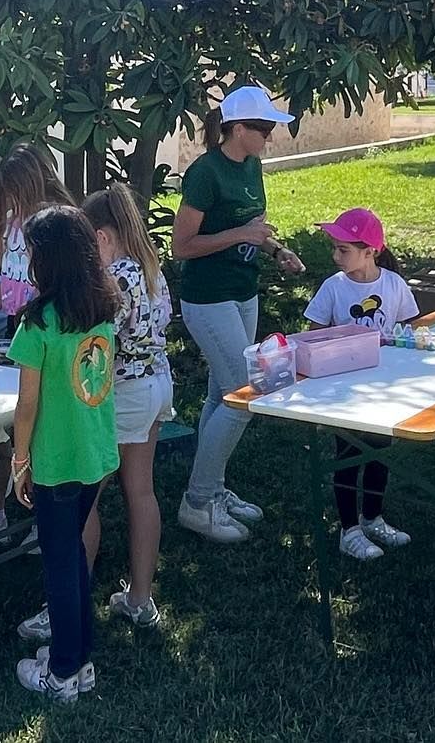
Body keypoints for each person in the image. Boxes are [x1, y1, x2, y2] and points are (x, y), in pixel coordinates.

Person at [173, 86, 305, 543]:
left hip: (243, 293)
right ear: (237, 129)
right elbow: (182, 247)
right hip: (207, 298)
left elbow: (254, 231)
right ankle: (197, 501)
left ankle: (214, 490)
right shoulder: (205, 173)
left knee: (220, 396)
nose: (270, 136)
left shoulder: (252, 165)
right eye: (263, 129)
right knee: (244, 396)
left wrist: (277, 249)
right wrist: (239, 234)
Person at [8, 206, 119, 702]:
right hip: (94, 454)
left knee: (59, 565)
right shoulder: (102, 305)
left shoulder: (38, 322)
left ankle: (64, 671)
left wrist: (18, 461)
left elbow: (26, 404)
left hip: (54, 463)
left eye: (30, 250)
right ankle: (82, 658)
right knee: (71, 554)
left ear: (45, 258)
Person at [80, 183, 174, 627]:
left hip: (124, 394)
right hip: (157, 384)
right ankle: (140, 597)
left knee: (83, 498)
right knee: (141, 491)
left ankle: (70, 598)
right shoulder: (150, 268)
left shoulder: (114, 278)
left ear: (101, 237)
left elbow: (100, 343)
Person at [304, 208, 418, 561]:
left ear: (371, 251)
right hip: (345, 393)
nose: (335, 256)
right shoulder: (333, 288)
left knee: (379, 454)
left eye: (344, 250)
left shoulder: (394, 285)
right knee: (347, 458)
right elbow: (312, 337)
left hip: (383, 390)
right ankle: (348, 529)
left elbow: (408, 330)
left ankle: (372, 517)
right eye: (335, 248)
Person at [0, 144, 74, 334]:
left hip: (45, 322)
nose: (10, 198)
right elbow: (9, 280)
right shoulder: (11, 223)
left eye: (14, 191)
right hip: (16, 321)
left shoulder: (56, 224)